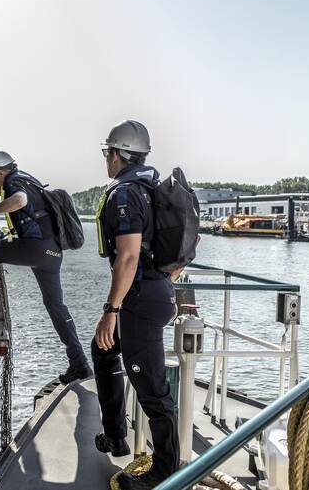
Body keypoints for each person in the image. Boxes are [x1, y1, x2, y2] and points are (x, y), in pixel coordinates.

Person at [91, 120, 180, 489]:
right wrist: (161, 283)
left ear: (117, 154)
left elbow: (127, 258)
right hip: (155, 292)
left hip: (140, 301)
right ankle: (115, 435)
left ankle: (166, 473)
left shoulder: (126, 194)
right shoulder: (153, 189)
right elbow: (183, 249)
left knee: (152, 390)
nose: (105, 160)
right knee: (103, 351)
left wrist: (111, 311)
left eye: (106, 153)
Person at [0, 151, 92, 384]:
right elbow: (23, 199)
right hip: (52, 253)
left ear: (0, 171)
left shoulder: (14, 181)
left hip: (35, 248)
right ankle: (80, 364)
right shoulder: (27, 179)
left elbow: (19, 201)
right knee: (56, 307)